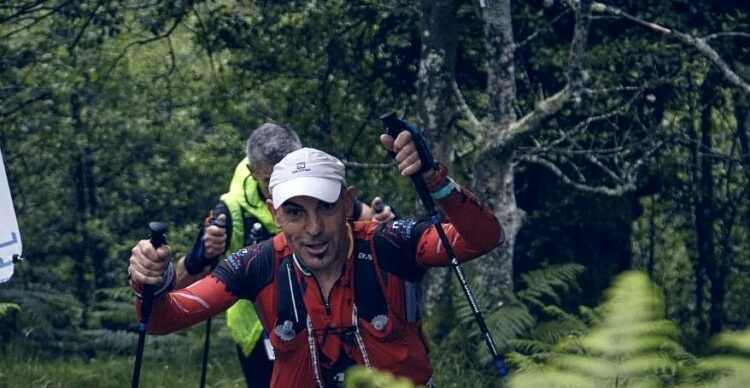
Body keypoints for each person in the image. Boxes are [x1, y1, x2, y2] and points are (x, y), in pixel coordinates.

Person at [128, 130, 504, 387]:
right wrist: (150, 279)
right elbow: (162, 319)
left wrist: (434, 179)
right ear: (275, 213)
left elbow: (484, 237)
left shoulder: (389, 243)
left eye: (324, 207)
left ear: (346, 201)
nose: (313, 229)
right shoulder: (256, 264)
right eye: (295, 212)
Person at [160, 122, 394, 388]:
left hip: (320, 318)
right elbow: (180, 287)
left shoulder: (315, 191)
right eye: (269, 181)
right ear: (251, 171)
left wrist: (385, 220)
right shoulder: (230, 209)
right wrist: (197, 258)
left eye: (286, 175)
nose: (279, 187)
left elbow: (367, 219)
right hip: (256, 331)